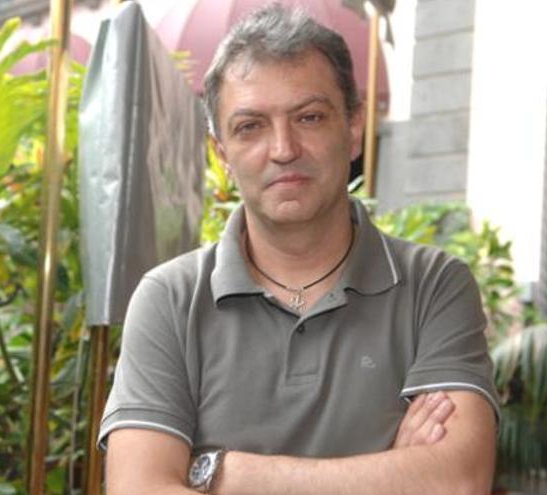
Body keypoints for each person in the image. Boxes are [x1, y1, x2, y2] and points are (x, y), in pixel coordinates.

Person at [99, 4, 498, 494]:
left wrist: (226, 472)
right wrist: (390, 473)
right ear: (221, 152)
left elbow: (456, 482)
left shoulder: (434, 286)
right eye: (250, 126)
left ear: (353, 128)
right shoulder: (169, 299)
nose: (283, 148)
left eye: (309, 117)